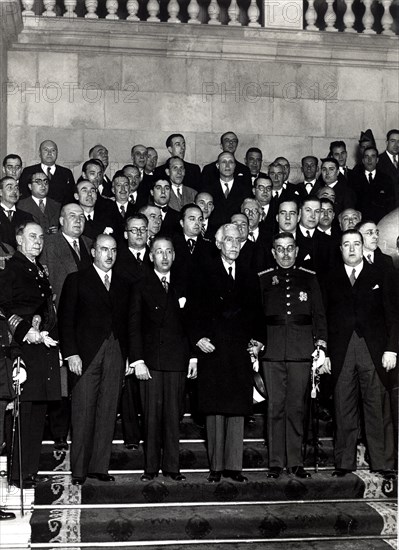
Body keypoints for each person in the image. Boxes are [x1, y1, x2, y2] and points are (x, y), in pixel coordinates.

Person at [186, 223, 264, 483]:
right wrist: (197, 338)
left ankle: (234, 466)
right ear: (218, 244)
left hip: (239, 350)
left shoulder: (249, 274)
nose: (233, 244)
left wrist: (258, 341)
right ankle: (216, 467)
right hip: (214, 349)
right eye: (228, 239)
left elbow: (257, 313)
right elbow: (191, 311)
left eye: (238, 240)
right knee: (215, 409)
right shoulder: (203, 272)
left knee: (237, 408)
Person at [322, 229, 398, 479]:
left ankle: (383, 462)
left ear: (363, 246)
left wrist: (392, 349)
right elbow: (323, 318)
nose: (353, 249)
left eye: (357, 243)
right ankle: (344, 462)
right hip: (341, 350)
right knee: (343, 406)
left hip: (373, 350)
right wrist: (324, 352)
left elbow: (393, 314)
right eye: (347, 244)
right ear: (340, 249)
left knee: (377, 405)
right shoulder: (329, 277)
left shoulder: (381, 273)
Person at [58, 234, 131, 485]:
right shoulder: (76, 280)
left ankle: (99, 467)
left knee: (108, 410)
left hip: (116, 352)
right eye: (103, 249)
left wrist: (129, 356)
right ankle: (79, 470)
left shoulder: (123, 283)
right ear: (93, 252)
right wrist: (71, 354)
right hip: (85, 355)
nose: (108, 255)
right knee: (83, 411)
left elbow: (128, 323)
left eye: (112, 250)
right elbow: (65, 320)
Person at [258, 232, 327, 479]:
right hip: (273, 350)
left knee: (296, 407)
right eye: (280, 249)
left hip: (301, 350)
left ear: (297, 251)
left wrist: (321, 345)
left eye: (290, 249)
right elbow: (257, 317)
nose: (285, 254)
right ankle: (276, 462)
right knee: (275, 407)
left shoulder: (309, 278)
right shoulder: (264, 279)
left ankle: (296, 462)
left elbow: (319, 314)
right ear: (273, 252)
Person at [129, 235, 197, 481]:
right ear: (151, 256)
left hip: (177, 361)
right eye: (159, 252)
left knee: (173, 416)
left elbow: (191, 324)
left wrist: (192, 357)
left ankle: (172, 467)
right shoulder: (141, 285)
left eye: (169, 251)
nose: (165, 256)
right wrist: (137, 361)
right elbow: (134, 326)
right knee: (151, 417)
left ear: (174, 256)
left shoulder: (183, 284)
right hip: (151, 363)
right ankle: (150, 468)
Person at [0, 221, 60, 488]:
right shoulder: (11, 268)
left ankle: (29, 470)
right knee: (23, 411)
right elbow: (3, 306)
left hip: (42, 348)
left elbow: (46, 307)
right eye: (32, 236)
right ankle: (17, 472)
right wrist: (26, 330)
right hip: (21, 347)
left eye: (40, 237)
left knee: (38, 409)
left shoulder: (39, 271)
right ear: (19, 239)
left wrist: (46, 331)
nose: (37, 241)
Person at [40, 203, 93, 450]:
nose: (77, 220)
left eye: (81, 216)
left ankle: (81, 431)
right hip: (58, 321)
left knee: (82, 380)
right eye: (72, 216)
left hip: (88, 325)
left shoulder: (91, 244)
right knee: (60, 380)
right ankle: (60, 433)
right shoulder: (49, 245)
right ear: (61, 220)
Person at [201, 152, 252, 232]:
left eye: (231, 162)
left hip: (237, 232)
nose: (227, 166)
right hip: (214, 233)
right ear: (218, 166)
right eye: (224, 162)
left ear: (235, 166)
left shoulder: (245, 189)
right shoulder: (208, 189)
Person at [19, 140, 75, 204]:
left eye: (53, 150)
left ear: (57, 153)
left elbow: (71, 198)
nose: (49, 153)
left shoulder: (66, 173)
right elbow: (24, 195)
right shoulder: (28, 171)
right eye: (45, 150)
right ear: (40, 153)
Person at [350, 146, 394, 223]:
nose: (369, 160)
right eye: (366, 156)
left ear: (377, 160)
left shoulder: (386, 179)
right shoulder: (354, 179)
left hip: (381, 222)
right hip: (361, 222)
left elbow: (391, 204)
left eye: (373, 156)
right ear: (363, 160)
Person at [0, 177, 33, 248]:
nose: (15, 191)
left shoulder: (27, 217)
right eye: (10, 187)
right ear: (0, 192)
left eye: (16, 188)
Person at [377, 129, 399, 205]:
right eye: (393, 141)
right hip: (387, 208)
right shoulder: (378, 161)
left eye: (398, 141)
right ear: (387, 142)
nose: (396, 145)